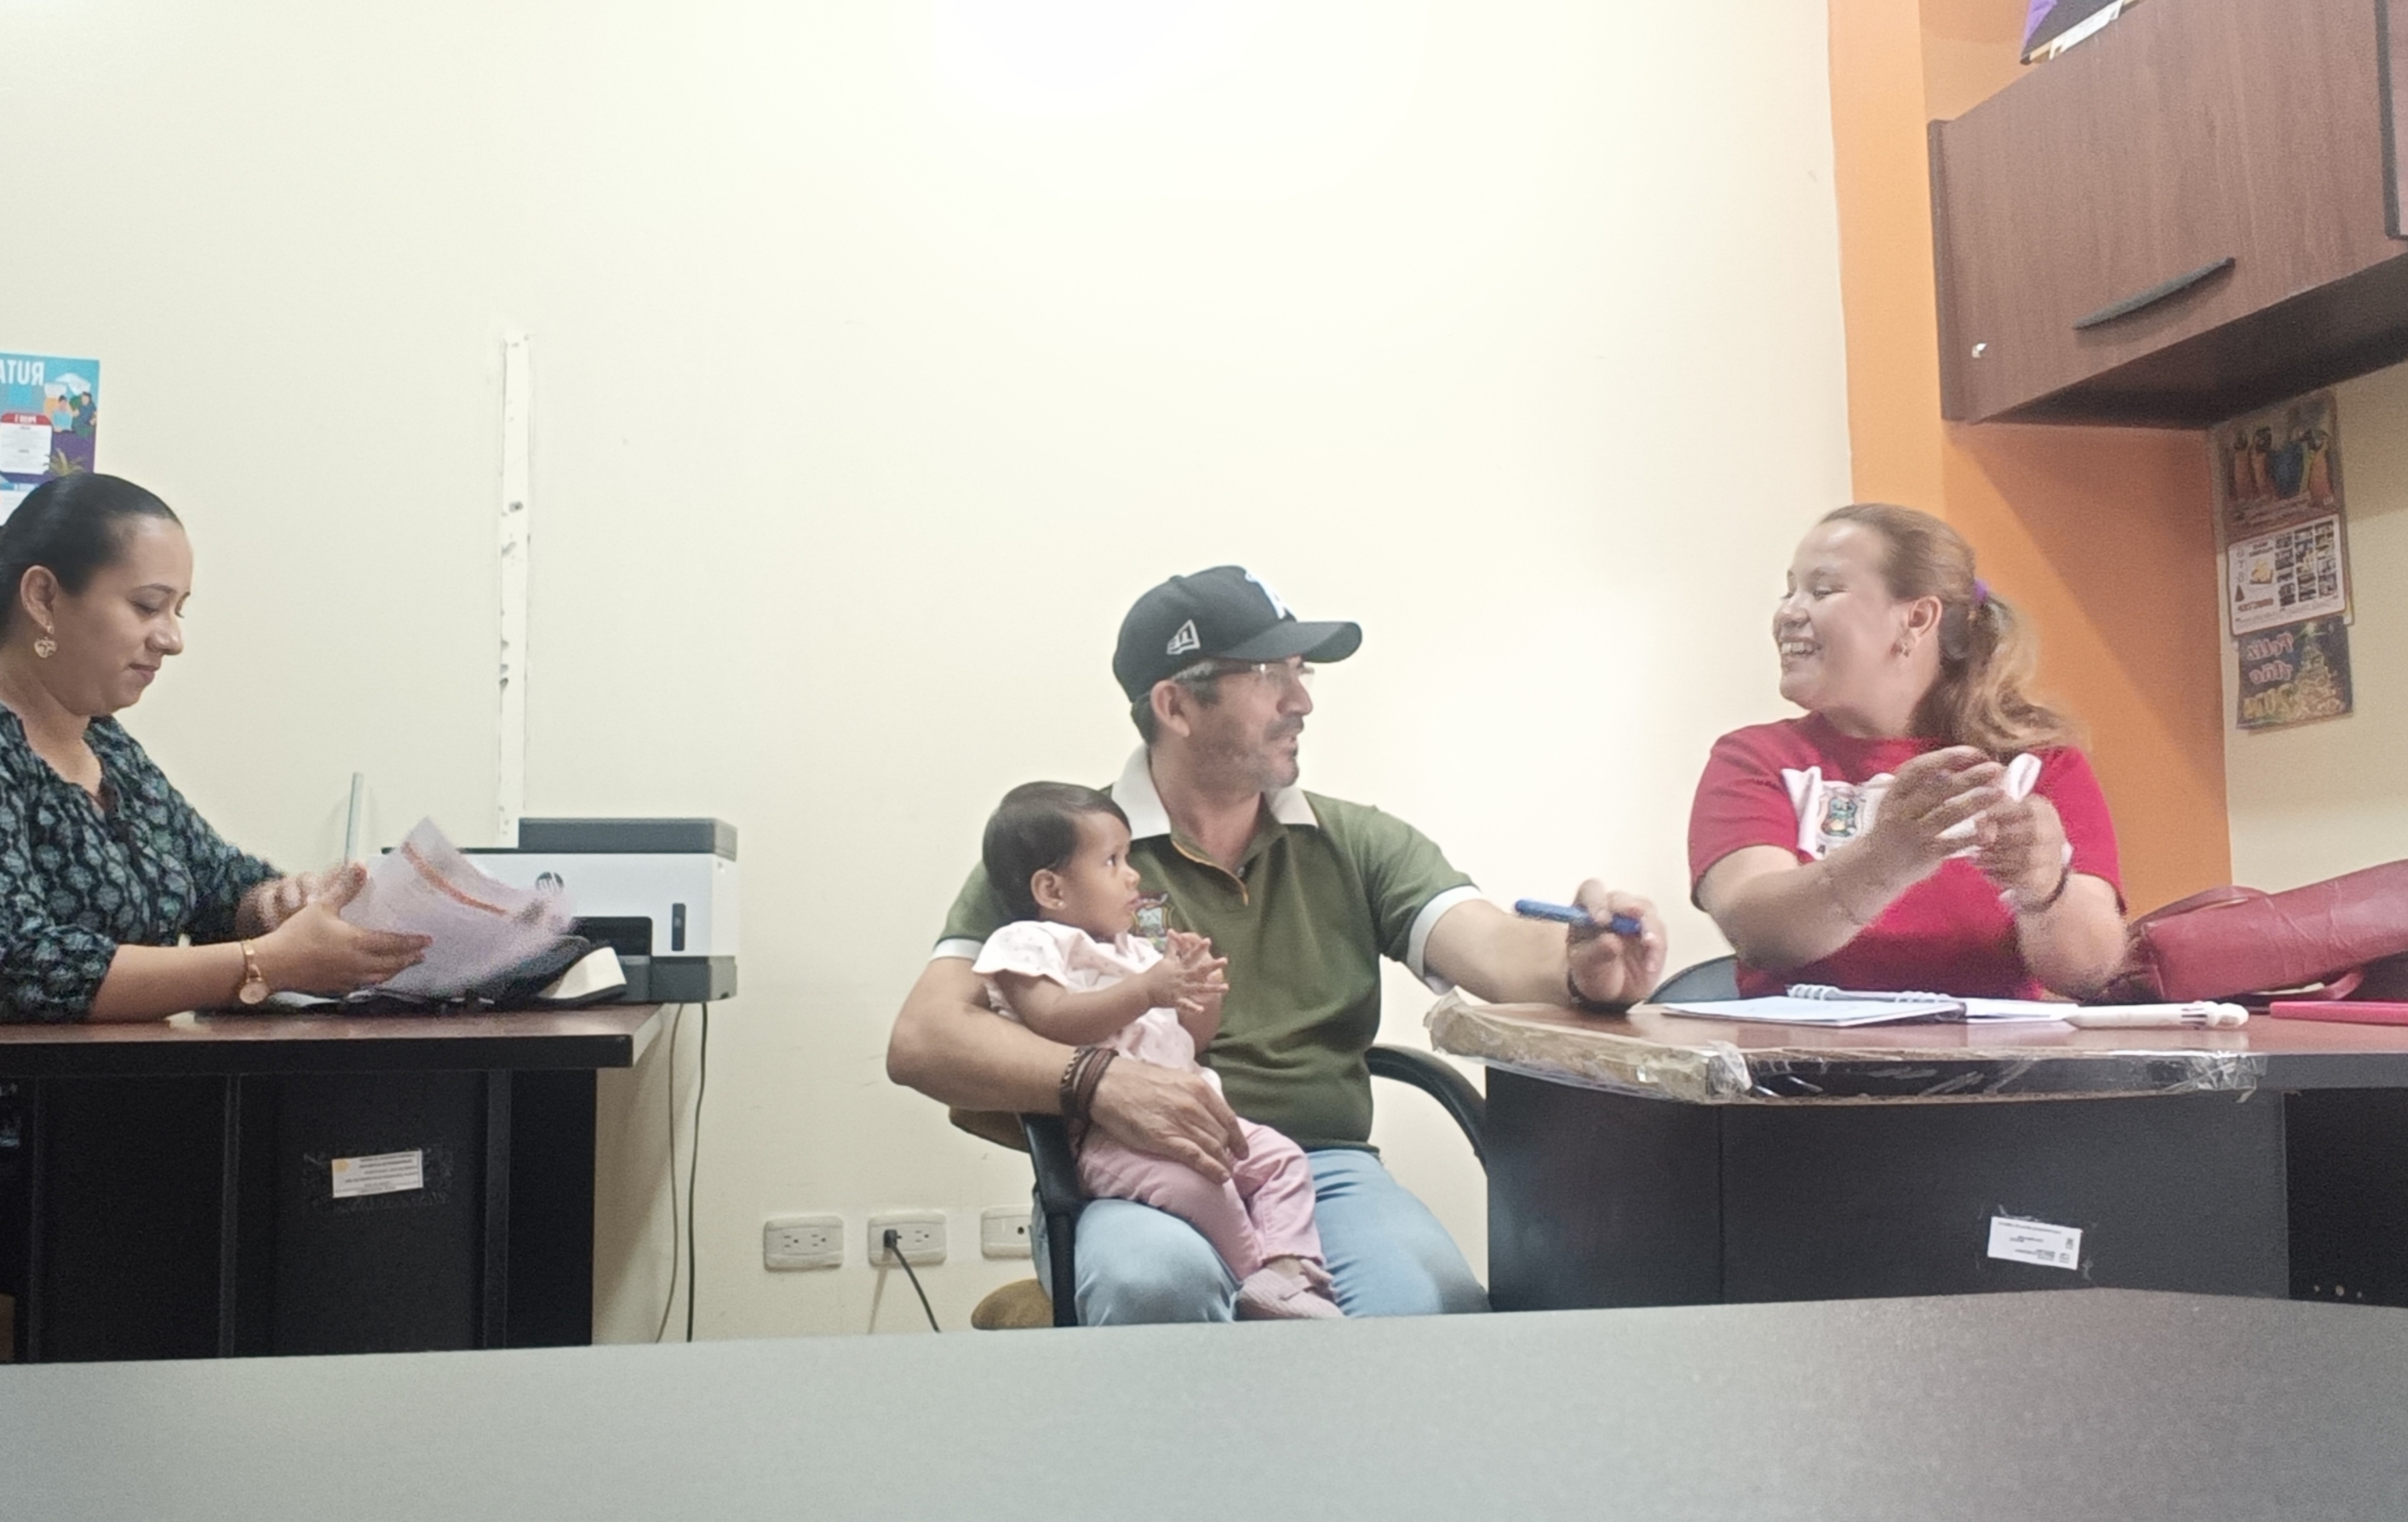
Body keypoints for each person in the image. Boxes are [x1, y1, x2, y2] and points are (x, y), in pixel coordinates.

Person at [886, 566, 1667, 1324]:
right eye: (1269, 675)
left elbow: (1491, 945)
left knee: (1429, 1312)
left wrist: (1581, 960)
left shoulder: (1354, 839)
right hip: (1137, 1169)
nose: (1301, 701)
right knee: (1153, 1286)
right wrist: (1099, 1082)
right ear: (1174, 705)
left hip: (1319, 1168)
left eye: (1302, 672)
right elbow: (924, 1037)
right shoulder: (1065, 855)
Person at [0, 473, 428, 1294]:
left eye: (179, 610)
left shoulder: (103, 746)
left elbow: (217, 885)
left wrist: (281, 903)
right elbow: (24, 972)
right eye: (147, 606)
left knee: (356, 1201)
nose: (170, 639)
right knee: (301, 1237)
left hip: (96, 1143)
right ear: (43, 597)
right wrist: (267, 963)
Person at [1688, 503, 2126, 1001]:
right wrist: (1887, 857)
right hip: (1801, 1052)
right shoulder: (1756, 758)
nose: (1788, 613)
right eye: (1790, 591)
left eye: (1823, 591)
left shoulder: (2039, 765)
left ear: (1916, 619)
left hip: (1997, 1052)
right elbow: (1758, 932)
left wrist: (2045, 889)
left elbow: (2091, 972)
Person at [972, 781, 1339, 1321]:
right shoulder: (1028, 943)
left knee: (1283, 1159)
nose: (1133, 875)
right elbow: (1054, 1021)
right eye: (1112, 861)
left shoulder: (1134, 951)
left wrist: (1200, 994)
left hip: (1198, 1117)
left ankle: (1289, 1270)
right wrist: (1146, 990)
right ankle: (1256, 1287)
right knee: (1203, 1186)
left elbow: (1191, 1040)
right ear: (1052, 889)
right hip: (1112, 1138)